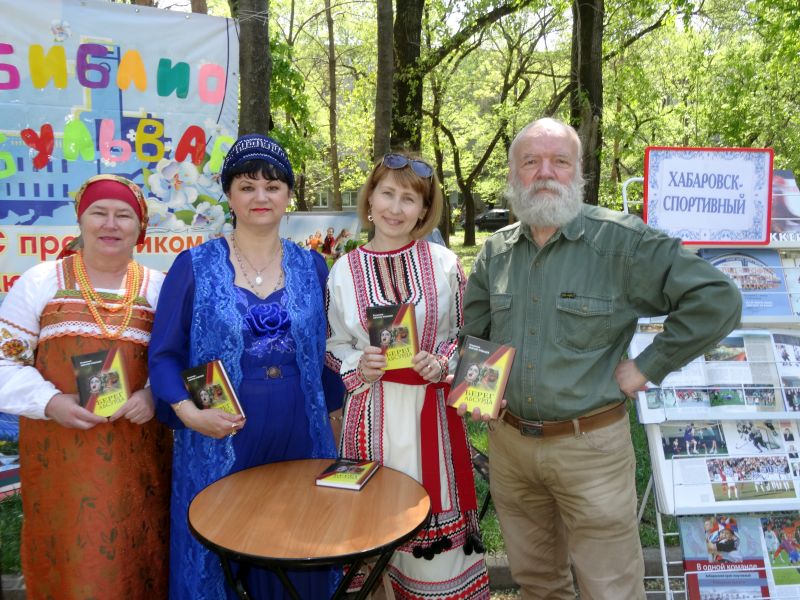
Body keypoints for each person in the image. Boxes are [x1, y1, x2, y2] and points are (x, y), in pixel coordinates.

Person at [460, 117, 742, 599]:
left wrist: (647, 367)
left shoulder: (622, 243)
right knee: (537, 582)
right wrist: (477, 395)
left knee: (610, 588)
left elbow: (718, 299)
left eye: (559, 161)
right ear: (513, 174)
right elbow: (477, 335)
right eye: (530, 161)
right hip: (511, 448)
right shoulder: (496, 251)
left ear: (579, 172)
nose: (545, 172)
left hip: (589, 449)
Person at [148, 134, 344, 599]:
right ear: (229, 194)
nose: (261, 197)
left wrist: (337, 424)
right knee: (221, 552)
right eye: (247, 185)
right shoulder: (193, 266)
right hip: (222, 433)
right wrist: (188, 412)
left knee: (299, 545)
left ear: (289, 195)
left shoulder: (312, 266)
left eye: (273, 186)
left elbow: (328, 355)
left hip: (300, 431)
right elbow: (164, 355)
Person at [326, 152, 490, 598]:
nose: (396, 209)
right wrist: (358, 365)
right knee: (373, 539)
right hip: (370, 421)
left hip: (430, 422)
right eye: (388, 194)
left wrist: (442, 361)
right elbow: (334, 343)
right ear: (370, 199)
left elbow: (469, 336)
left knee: (433, 558)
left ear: (424, 210)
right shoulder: (343, 270)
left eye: (409, 199)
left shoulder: (443, 264)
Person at [0, 174, 172, 599]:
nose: (110, 224)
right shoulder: (40, 282)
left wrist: (152, 394)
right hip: (62, 457)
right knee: (75, 560)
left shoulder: (159, 287)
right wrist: (50, 401)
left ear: (140, 228)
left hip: (141, 460)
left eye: (123, 215)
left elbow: (179, 358)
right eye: (99, 213)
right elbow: (4, 361)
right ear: (81, 220)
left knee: (142, 555)